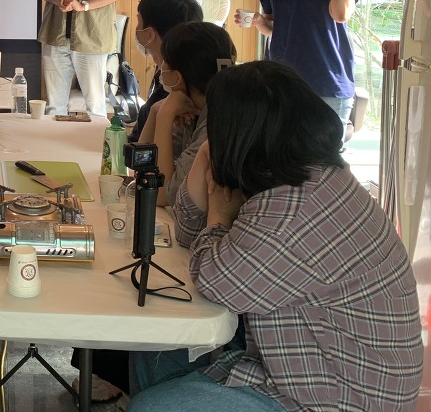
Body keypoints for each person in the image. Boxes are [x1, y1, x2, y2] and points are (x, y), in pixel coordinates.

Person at [130, 61, 422, 411]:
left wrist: (219, 215)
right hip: (304, 364)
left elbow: (216, 282)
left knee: (153, 405)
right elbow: (189, 232)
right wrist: (209, 154)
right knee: (154, 337)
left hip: (334, 396)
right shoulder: (295, 171)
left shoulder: (297, 203)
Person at [136, 22, 236, 206]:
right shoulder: (193, 110)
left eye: (164, 61)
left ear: (177, 77)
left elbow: (161, 195)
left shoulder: (215, 126)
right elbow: (139, 165)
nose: (160, 67)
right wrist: (156, 110)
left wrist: (164, 116)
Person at [129, 0, 204, 142]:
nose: (136, 29)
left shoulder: (179, 88)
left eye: (139, 21)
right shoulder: (163, 75)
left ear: (150, 34)